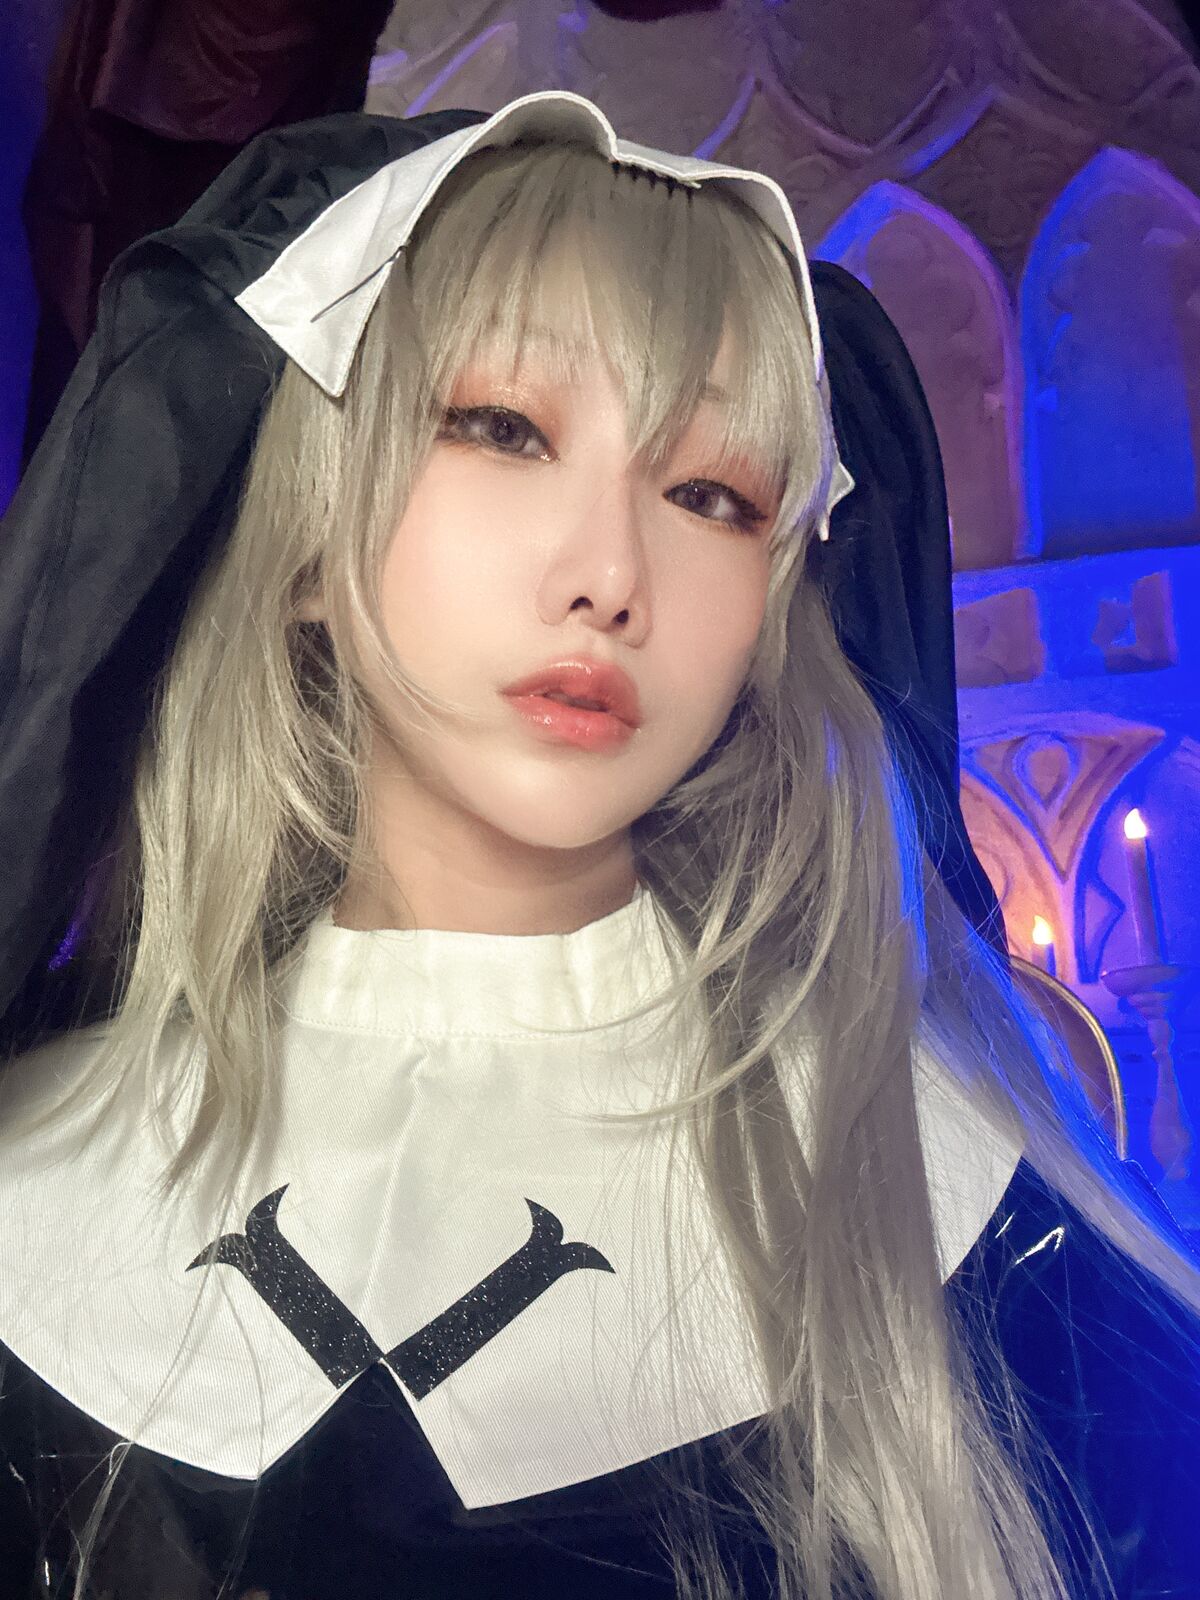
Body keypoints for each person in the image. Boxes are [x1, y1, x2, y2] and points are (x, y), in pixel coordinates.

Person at [0, 91, 1197, 1600]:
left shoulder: (976, 1204)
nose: (613, 574)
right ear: (304, 531)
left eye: (712, 496)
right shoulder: (31, 1176)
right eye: (504, 427)